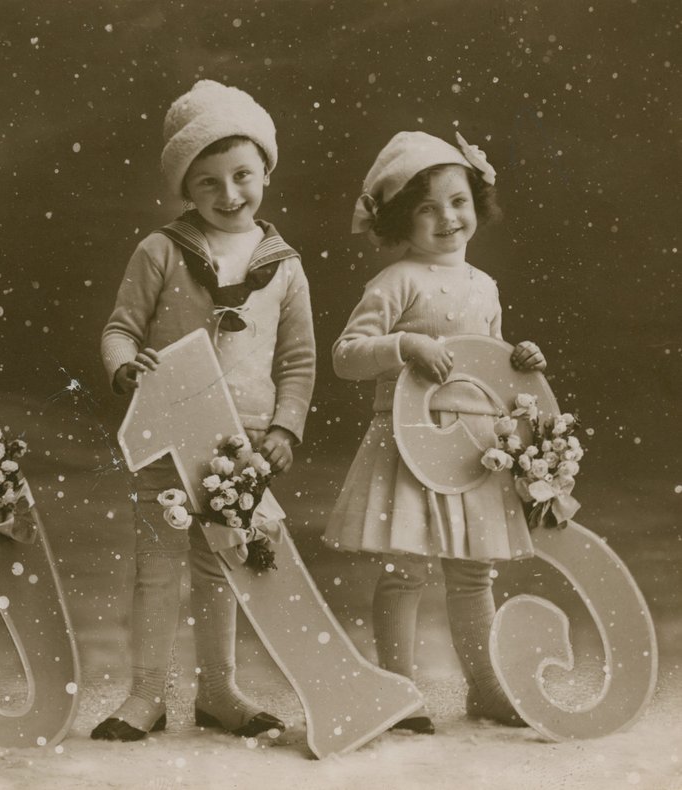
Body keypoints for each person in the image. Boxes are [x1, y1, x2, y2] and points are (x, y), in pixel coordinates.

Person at [95, 80, 316, 741]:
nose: (228, 195)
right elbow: (119, 328)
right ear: (186, 190)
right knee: (157, 565)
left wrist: (283, 428)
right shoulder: (160, 251)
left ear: (264, 173)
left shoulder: (286, 268)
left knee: (223, 563)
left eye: (241, 175)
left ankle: (220, 689)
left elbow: (298, 363)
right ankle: (146, 694)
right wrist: (124, 367)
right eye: (208, 182)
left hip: (241, 444)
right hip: (170, 431)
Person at [324, 130, 546, 734]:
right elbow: (346, 355)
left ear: (477, 203)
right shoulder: (396, 282)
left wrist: (519, 359)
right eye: (427, 208)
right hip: (409, 443)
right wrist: (404, 345)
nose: (448, 218)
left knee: (474, 572)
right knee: (405, 570)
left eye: (458, 201)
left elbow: (490, 364)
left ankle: (486, 687)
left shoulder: (485, 285)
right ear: (401, 219)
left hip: (471, 448)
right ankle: (398, 691)